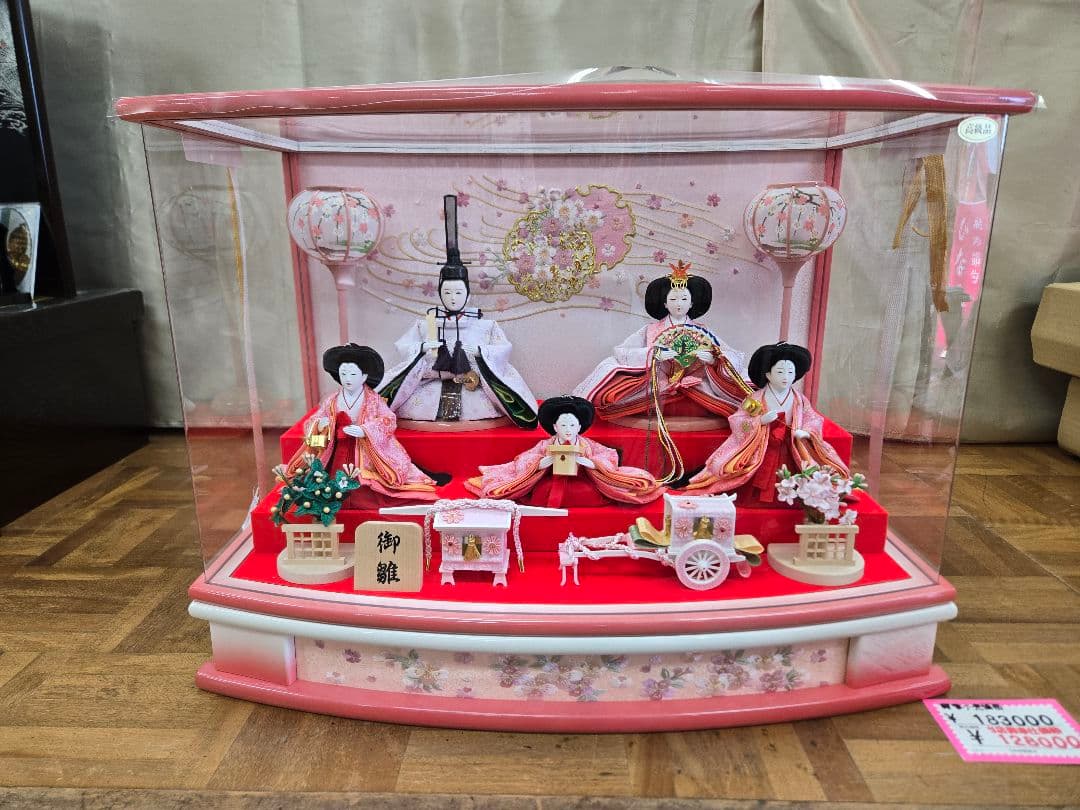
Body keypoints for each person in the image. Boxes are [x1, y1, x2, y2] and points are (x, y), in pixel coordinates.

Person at [379, 195, 538, 428]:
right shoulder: (427, 323)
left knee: (483, 407)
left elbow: (503, 349)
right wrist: (421, 348)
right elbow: (403, 347)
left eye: (458, 292)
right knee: (414, 406)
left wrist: (481, 351)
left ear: (468, 295)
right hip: (431, 387)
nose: (453, 298)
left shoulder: (485, 325)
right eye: (448, 292)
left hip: (473, 387)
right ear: (440, 293)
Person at [573, 261, 749, 422]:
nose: (678, 304)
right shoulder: (650, 329)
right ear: (665, 303)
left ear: (691, 303)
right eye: (673, 299)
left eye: (684, 299)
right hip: (657, 384)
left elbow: (730, 355)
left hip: (697, 384)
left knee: (741, 393)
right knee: (610, 373)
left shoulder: (703, 331)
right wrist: (654, 354)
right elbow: (623, 352)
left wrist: (713, 359)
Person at [682, 343, 848, 503]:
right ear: (768, 374)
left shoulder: (800, 399)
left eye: (790, 372)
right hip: (762, 445)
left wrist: (806, 431)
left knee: (797, 475)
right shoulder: (756, 398)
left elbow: (812, 418)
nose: (786, 377)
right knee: (748, 472)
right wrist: (759, 421)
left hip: (791, 446)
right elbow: (739, 420)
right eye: (780, 372)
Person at [280, 344, 439, 506]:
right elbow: (315, 420)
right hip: (335, 447)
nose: (347, 379)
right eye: (343, 374)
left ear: (364, 377)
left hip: (363, 448)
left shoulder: (373, 400)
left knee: (364, 486)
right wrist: (320, 425)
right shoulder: (332, 400)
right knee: (328, 477)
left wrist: (365, 430)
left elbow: (388, 419)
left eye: (353, 374)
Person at [465, 396, 664, 507]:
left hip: (582, 481)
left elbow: (609, 454)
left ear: (580, 427)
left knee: (589, 494)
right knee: (541, 493)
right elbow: (524, 459)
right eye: (563, 425)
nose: (568, 429)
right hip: (550, 481)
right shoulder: (546, 444)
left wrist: (591, 462)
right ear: (555, 427)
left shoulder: (587, 444)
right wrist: (541, 463)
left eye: (572, 425)